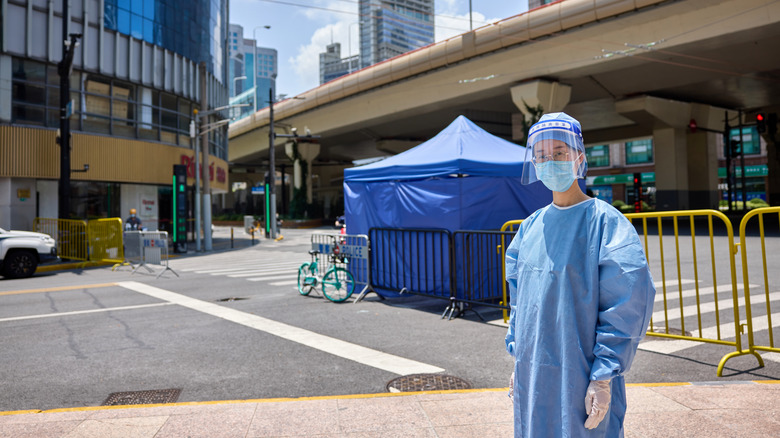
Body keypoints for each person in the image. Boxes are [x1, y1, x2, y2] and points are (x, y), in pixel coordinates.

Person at [505, 112, 655, 437]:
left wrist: (603, 377)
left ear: (579, 158)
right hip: (534, 375)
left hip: (582, 375)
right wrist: (519, 358)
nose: (550, 161)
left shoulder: (606, 225)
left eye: (559, 153)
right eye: (542, 155)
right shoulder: (530, 228)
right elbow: (522, 305)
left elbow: (626, 305)